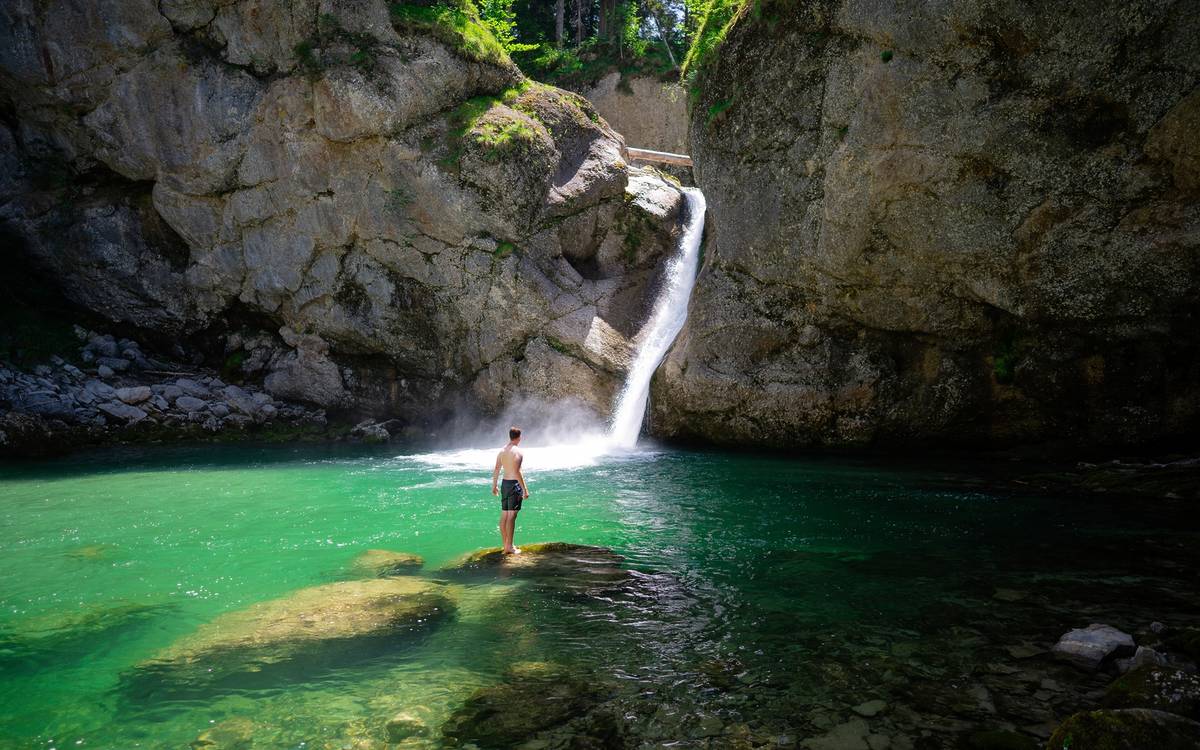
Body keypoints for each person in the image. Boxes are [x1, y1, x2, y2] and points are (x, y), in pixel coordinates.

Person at [491, 426, 530, 554]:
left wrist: (494, 485)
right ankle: (510, 547)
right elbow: (518, 471)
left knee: (505, 515)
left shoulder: (502, 451)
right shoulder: (518, 452)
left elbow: (497, 469)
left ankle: (505, 545)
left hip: (505, 484)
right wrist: (525, 489)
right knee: (512, 516)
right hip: (514, 484)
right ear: (519, 437)